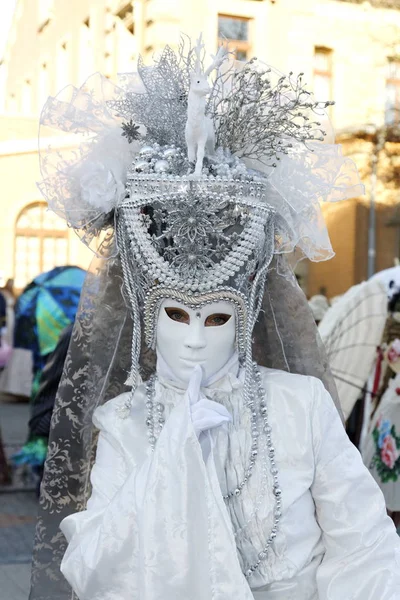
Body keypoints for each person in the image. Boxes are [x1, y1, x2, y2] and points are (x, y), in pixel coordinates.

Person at [30, 38, 400, 600]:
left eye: (217, 316)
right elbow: (93, 564)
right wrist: (171, 452)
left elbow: (364, 541)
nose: (197, 339)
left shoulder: (301, 405)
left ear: (246, 314)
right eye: (178, 313)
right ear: (149, 317)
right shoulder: (124, 421)